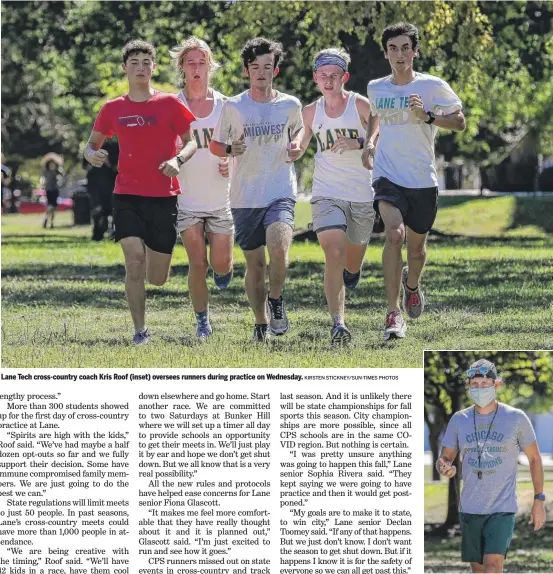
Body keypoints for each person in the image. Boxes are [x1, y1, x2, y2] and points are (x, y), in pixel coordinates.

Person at [83, 39, 197, 344]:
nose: (141, 68)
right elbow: (91, 145)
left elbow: (192, 142)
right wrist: (91, 155)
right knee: (134, 260)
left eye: (146, 62)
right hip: (127, 195)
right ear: (125, 69)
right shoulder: (113, 108)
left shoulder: (170, 103)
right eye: (134, 63)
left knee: (157, 278)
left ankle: (151, 263)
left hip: (163, 196)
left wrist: (178, 158)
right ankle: (140, 332)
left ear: (154, 68)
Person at [363, 22, 465, 341]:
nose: (400, 54)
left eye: (405, 48)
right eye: (393, 48)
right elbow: (376, 117)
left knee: (417, 250)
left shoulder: (433, 86)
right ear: (386, 53)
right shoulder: (377, 88)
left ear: (415, 52)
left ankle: (412, 285)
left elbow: (460, 122)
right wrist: (369, 142)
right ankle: (393, 314)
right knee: (394, 235)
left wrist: (429, 117)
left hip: (421, 179)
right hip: (388, 175)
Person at [210, 37, 303, 342]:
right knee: (256, 263)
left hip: (280, 190)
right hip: (244, 196)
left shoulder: (290, 105)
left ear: (275, 70)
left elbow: (299, 131)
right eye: (255, 67)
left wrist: (297, 146)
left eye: (267, 66)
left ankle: (275, 300)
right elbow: (215, 145)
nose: (261, 72)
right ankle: (261, 322)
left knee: (278, 248)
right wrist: (229, 148)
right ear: (246, 70)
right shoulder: (233, 106)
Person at [297, 47, 376, 345]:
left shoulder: (361, 105)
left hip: (360, 194)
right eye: (323, 76)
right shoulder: (310, 111)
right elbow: (302, 138)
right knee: (334, 253)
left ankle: (352, 272)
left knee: (351, 262)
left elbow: (379, 135)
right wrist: (295, 147)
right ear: (316, 78)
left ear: (345, 77)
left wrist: (360, 142)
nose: (328, 81)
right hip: (326, 192)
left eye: (334, 75)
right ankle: (338, 324)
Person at [437, 359, 546, 574]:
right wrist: (445, 467)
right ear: (468, 385)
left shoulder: (516, 418)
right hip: (469, 508)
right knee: (478, 570)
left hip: (502, 509)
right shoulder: (459, 420)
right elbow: (445, 457)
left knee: (493, 567)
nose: (479, 389)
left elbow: (534, 459)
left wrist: (538, 500)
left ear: (496, 385)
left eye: (485, 384)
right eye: (474, 385)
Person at [170, 37, 234, 341]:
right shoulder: (172, 105)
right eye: (191, 63)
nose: (197, 68)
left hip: (221, 198)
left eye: (202, 62)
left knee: (220, 265)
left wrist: (229, 164)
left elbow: (238, 149)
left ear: (211, 66)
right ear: (182, 67)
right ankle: (202, 321)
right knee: (198, 262)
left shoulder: (225, 106)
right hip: (186, 198)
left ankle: (224, 270)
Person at [40, 154, 65, 229]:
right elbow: (42, 180)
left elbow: (63, 176)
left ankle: (51, 223)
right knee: (50, 206)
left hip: (55, 190)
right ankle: (46, 219)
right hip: (48, 190)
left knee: (54, 207)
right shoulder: (46, 171)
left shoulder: (58, 171)